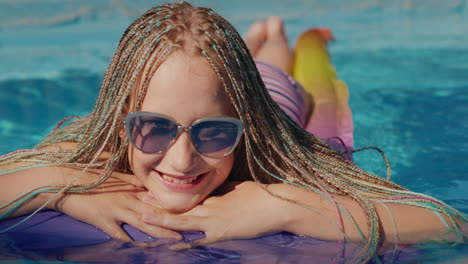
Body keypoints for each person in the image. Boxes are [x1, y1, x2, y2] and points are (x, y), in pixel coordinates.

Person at [0, 2, 466, 263]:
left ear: (244, 126)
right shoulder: (94, 152)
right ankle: (259, 40)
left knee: (274, 74)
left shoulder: (266, 145)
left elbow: (451, 225)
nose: (181, 160)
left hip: (273, 99)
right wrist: (60, 189)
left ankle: (274, 36)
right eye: (153, 128)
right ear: (123, 118)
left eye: (215, 133)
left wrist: (284, 206)